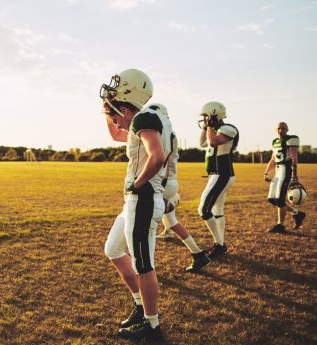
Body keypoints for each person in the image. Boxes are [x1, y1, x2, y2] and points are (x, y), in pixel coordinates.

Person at [100, 69, 170, 340]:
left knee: (143, 264)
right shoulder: (147, 118)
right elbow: (117, 134)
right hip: (136, 202)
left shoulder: (146, 116)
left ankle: (152, 325)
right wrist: (107, 113)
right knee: (114, 249)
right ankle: (141, 307)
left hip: (141, 201)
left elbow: (157, 156)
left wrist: (136, 184)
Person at [150, 104, 211, 272]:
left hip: (162, 181)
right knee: (171, 221)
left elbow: (159, 159)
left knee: (147, 225)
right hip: (170, 181)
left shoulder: (160, 132)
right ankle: (198, 254)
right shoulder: (171, 133)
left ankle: (146, 268)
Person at [197, 101, 239, 259]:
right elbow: (202, 143)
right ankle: (220, 244)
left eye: (206, 116)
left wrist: (209, 127)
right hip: (215, 174)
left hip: (222, 173)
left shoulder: (228, 128)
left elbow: (214, 142)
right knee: (217, 210)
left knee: (203, 209)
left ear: (214, 114)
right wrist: (206, 127)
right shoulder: (213, 130)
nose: (205, 119)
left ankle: (220, 245)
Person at [264, 122, 306, 233]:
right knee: (272, 199)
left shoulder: (291, 139)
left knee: (280, 199)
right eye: (279, 128)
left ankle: (280, 225)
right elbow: (273, 159)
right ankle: (297, 214)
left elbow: (294, 159)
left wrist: (294, 175)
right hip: (278, 171)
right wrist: (267, 172)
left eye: (283, 128)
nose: (281, 131)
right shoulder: (275, 141)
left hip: (286, 171)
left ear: (287, 129)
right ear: (275, 129)